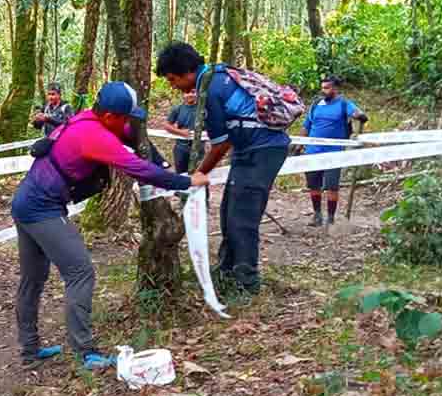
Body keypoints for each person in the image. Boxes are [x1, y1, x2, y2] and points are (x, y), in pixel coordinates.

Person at [10, 82, 209, 370]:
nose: (128, 122)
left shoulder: (85, 119)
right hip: (42, 208)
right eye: (125, 116)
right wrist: (186, 181)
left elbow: (133, 135)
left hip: (25, 201)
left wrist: (163, 163)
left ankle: (29, 352)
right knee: (80, 272)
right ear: (110, 116)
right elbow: (136, 168)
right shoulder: (93, 135)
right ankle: (86, 353)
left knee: (33, 279)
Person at [154, 42, 289, 295]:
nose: (172, 85)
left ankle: (246, 283)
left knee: (242, 218)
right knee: (229, 212)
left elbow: (220, 144)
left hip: (263, 150)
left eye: (173, 79)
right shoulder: (216, 75)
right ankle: (226, 271)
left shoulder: (211, 88)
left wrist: (198, 174)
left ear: (186, 72)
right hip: (247, 150)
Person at [298, 76, 368, 227]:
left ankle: (330, 219)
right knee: (313, 185)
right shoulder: (316, 104)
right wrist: (298, 143)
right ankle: (317, 216)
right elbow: (307, 125)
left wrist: (359, 116)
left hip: (334, 153)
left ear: (335, 89)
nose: (324, 91)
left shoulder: (344, 104)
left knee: (331, 186)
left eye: (327, 88)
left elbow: (356, 112)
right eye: (323, 88)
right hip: (312, 151)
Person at [159, 89, 205, 173]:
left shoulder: (203, 109)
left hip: (199, 147)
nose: (190, 95)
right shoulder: (178, 108)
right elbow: (166, 125)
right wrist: (180, 132)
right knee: (181, 174)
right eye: (187, 92)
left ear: (197, 93)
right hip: (181, 147)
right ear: (183, 94)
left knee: (198, 173)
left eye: (193, 92)